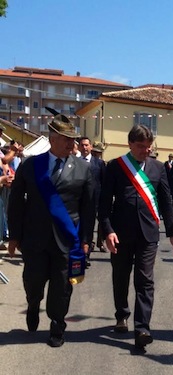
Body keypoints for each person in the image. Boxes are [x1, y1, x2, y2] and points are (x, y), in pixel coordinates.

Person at [7, 114, 94, 347]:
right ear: (52, 139)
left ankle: (57, 325)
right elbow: (15, 202)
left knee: (63, 285)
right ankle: (33, 304)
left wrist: (86, 239)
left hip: (67, 240)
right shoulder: (31, 165)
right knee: (33, 281)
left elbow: (88, 208)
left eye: (73, 140)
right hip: (34, 238)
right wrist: (14, 236)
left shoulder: (84, 169)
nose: (71, 144)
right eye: (66, 139)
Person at [98, 125, 173, 351]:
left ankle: (142, 328)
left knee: (145, 281)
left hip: (148, 234)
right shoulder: (115, 167)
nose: (146, 151)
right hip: (120, 234)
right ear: (130, 145)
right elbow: (104, 203)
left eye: (148, 146)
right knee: (121, 276)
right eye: (141, 147)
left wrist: (172, 234)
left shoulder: (158, 168)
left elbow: (166, 201)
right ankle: (121, 314)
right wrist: (108, 230)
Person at [79, 137, 106, 262]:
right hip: (78, 201)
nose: (84, 148)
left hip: (94, 200)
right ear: (79, 147)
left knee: (90, 226)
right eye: (82, 145)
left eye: (86, 145)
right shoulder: (74, 161)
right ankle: (79, 251)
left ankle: (86, 253)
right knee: (80, 226)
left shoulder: (99, 163)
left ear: (90, 147)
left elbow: (104, 182)